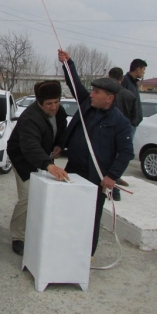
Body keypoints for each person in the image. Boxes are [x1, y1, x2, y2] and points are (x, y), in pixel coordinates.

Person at [59, 50, 134, 257]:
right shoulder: (87, 104)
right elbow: (74, 84)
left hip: (96, 177)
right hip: (73, 170)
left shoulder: (120, 123)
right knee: (68, 211)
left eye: (96, 92)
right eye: (92, 91)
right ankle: (66, 248)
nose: (91, 94)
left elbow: (127, 152)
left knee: (90, 216)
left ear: (109, 98)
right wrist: (68, 63)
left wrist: (111, 176)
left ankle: (85, 255)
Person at [6, 80, 70, 256]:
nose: (54, 107)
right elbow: (30, 147)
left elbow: (62, 129)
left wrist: (59, 145)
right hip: (23, 158)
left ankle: (38, 230)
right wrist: (49, 165)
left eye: (57, 102)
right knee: (27, 196)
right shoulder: (29, 118)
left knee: (46, 194)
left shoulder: (60, 112)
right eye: (49, 103)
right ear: (39, 103)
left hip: (43, 157)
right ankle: (18, 236)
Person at [108, 67, 137, 194]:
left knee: (108, 159)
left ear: (109, 77)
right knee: (120, 159)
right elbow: (136, 115)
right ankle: (116, 188)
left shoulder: (108, 95)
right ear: (122, 79)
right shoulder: (130, 95)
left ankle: (112, 188)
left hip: (109, 130)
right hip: (124, 130)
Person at [121, 58, 147, 135]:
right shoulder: (125, 81)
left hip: (133, 124)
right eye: (143, 69)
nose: (144, 72)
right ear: (138, 69)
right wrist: (129, 121)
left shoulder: (134, 82)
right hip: (128, 124)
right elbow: (122, 103)